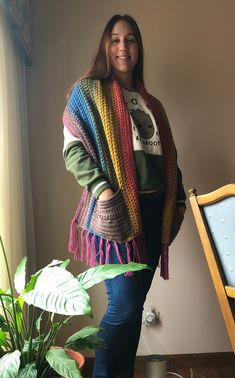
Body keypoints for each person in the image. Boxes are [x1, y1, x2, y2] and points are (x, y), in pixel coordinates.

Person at [63, 14, 186, 378]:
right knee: (124, 306)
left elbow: (168, 156)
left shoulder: (153, 103)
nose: (122, 47)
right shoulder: (88, 92)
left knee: (134, 307)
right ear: (105, 46)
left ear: (138, 48)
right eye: (115, 39)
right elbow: (73, 150)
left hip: (153, 212)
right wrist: (103, 191)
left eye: (130, 40)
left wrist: (177, 197)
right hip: (116, 213)